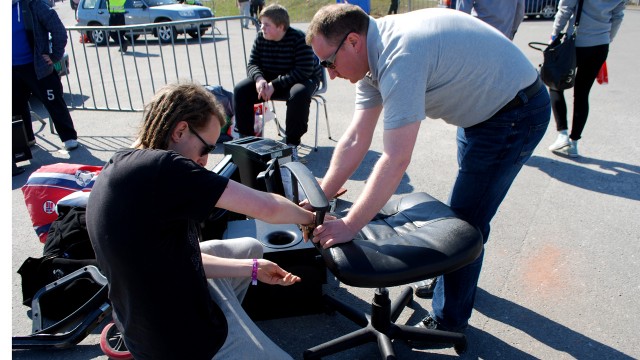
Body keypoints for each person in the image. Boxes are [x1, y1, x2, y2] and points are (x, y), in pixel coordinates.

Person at [305, 4, 550, 335]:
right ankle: (453, 275)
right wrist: (321, 195)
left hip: (514, 114)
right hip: (485, 111)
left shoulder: (398, 57)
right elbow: (354, 141)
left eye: (328, 63)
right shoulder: (370, 56)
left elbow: (395, 159)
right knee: (468, 209)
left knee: (467, 221)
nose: (330, 74)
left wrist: (350, 223)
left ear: (352, 41)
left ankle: (449, 321)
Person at [86, 82, 320, 360]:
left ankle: (235, 323)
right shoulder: (166, 168)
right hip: (179, 341)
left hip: (142, 321)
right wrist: (312, 217)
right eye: (206, 148)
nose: (206, 160)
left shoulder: (123, 165)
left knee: (251, 249)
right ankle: (227, 342)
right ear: (180, 130)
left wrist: (254, 269)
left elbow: (173, 258)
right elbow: (266, 207)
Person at [233, 4, 322, 160]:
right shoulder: (261, 38)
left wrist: (275, 85)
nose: (262, 28)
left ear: (281, 27)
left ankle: (292, 145)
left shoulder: (300, 39)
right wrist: (259, 80)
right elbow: (253, 64)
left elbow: (303, 70)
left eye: (266, 24)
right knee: (241, 90)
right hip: (271, 80)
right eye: (261, 23)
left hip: (302, 79)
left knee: (298, 94)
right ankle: (245, 142)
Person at [547, 0, 625, 158]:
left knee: (556, 85)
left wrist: (554, 35)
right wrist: (607, 38)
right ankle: (574, 143)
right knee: (582, 94)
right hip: (600, 45)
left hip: (576, 42)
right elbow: (617, 17)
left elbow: (565, 10)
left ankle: (562, 134)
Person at [12, 0, 79, 151]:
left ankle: (68, 137)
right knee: (16, 108)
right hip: (12, 70)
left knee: (53, 101)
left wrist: (54, 55)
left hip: (37, 67)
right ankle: (26, 140)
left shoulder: (34, 5)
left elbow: (58, 30)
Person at [456, 0, 525, 40]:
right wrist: (511, 33)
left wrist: (462, 37)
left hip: (480, 35)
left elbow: (462, 12)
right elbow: (519, 12)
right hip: (504, 37)